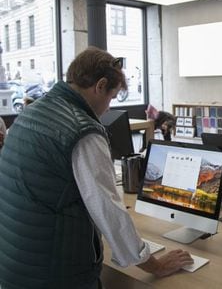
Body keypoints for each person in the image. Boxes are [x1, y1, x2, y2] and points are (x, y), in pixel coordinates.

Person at [0, 47, 193, 289]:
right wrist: (155, 265)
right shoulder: (82, 131)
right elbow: (109, 212)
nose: (108, 108)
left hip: (16, 262)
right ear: (100, 86)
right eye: (111, 98)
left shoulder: (33, 112)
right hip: (54, 272)